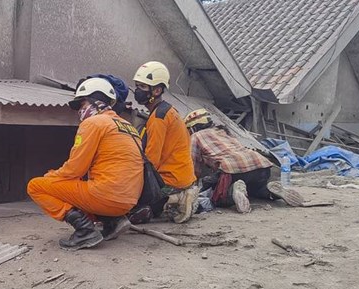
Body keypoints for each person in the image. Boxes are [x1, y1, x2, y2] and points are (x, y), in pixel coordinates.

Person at [27, 78, 144, 251]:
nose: (79, 111)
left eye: (81, 105)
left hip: (106, 196)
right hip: (129, 201)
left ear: (94, 102)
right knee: (85, 184)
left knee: (36, 186)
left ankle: (85, 230)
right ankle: (112, 220)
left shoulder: (93, 123)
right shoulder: (128, 126)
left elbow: (75, 169)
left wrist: (51, 176)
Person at [184, 108, 304, 213]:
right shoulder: (223, 131)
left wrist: (193, 184)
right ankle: (270, 191)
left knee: (216, 197)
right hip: (260, 165)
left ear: (193, 127)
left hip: (232, 169)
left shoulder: (196, 136)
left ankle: (233, 190)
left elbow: (192, 164)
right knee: (254, 190)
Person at [127, 61, 198, 224]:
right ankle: (173, 200)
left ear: (157, 90)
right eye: (137, 86)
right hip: (182, 175)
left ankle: (176, 198)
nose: (138, 91)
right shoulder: (167, 111)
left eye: (143, 87)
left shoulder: (158, 118)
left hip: (171, 178)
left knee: (130, 199)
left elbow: (151, 159)